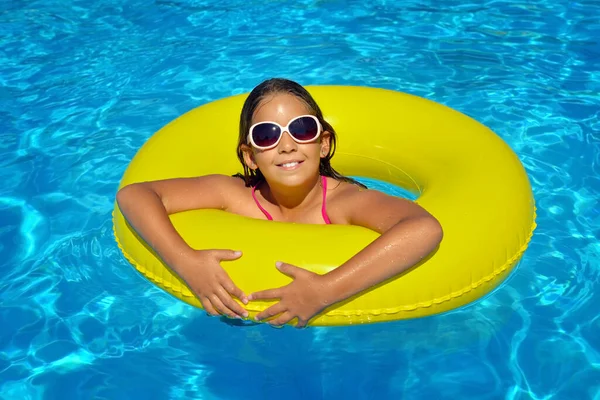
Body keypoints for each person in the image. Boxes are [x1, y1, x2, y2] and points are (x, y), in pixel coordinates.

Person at [116, 78, 443, 328]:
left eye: (302, 129)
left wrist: (324, 290)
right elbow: (134, 195)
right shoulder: (234, 195)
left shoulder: (346, 202)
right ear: (250, 156)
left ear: (324, 143)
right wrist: (185, 261)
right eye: (267, 135)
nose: (287, 145)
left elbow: (422, 228)